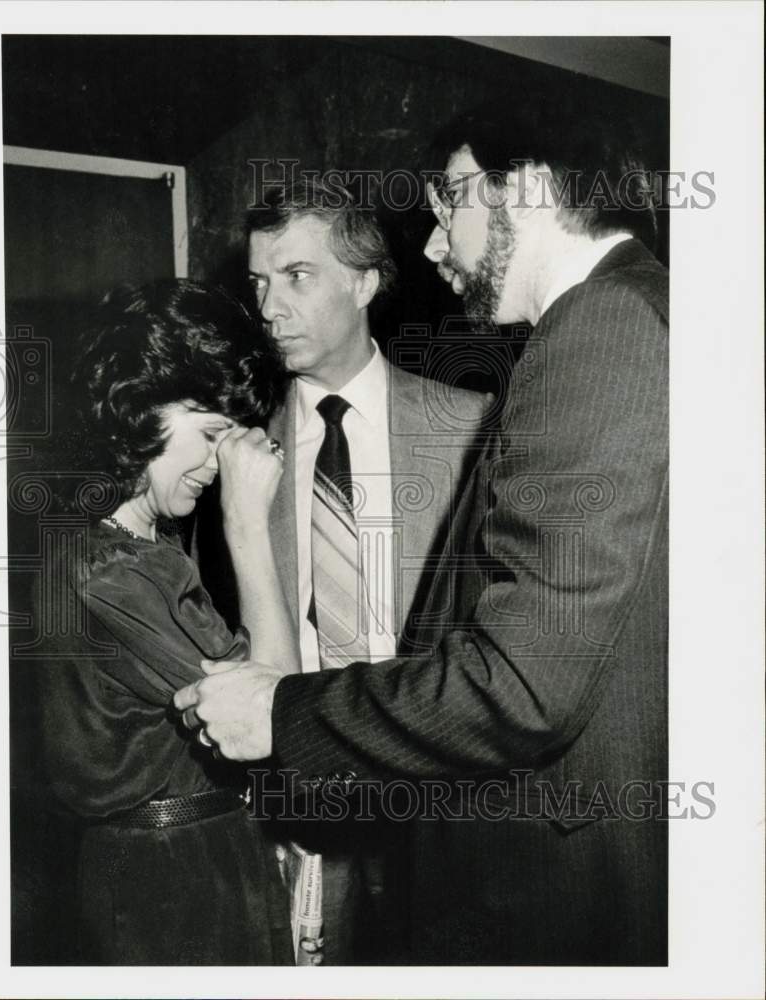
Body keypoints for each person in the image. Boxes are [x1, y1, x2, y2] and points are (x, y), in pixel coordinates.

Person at [176, 100, 668, 966]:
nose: (436, 243)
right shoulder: (633, 313)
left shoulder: (601, 330)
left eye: (451, 201)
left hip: (546, 868)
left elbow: (523, 682)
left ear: (532, 187)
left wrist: (284, 715)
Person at [195, 178, 492, 964]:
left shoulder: (471, 430)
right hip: (297, 802)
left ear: (365, 282)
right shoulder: (228, 458)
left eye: (298, 276)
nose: (269, 307)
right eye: (260, 282)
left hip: (439, 793)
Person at [33, 280, 308, 965]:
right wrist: (248, 526)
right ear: (142, 402)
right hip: (172, 875)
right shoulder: (115, 573)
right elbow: (275, 707)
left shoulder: (125, 549)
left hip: (189, 855)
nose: (219, 465)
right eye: (211, 432)